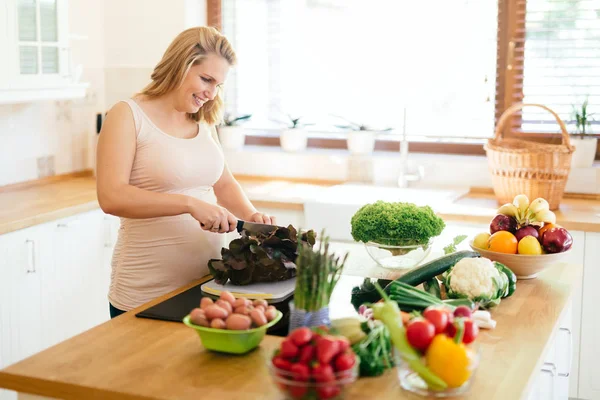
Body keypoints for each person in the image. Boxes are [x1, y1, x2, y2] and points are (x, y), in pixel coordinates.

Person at [96, 26, 275, 319]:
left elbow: (224, 183)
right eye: (206, 79)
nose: (211, 93)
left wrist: (252, 217)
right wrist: (189, 204)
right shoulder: (127, 115)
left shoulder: (204, 120)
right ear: (181, 65)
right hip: (146, 292)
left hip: (208, 287)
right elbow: (111, 197)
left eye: (218, 85)